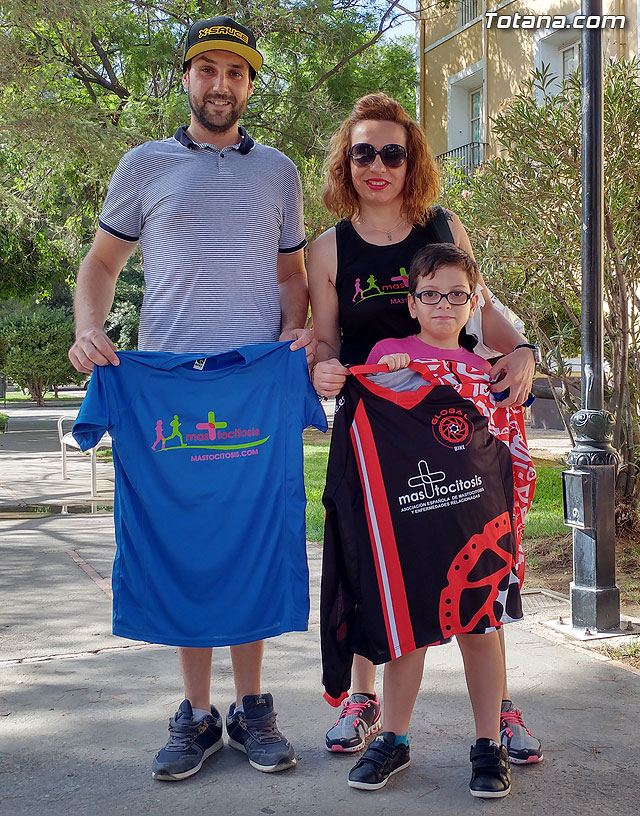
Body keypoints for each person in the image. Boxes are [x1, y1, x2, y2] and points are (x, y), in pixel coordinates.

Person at [68, 16, 316, 782]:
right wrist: (87, 331)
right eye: (208, 70)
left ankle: (252, 708)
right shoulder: (144, 164)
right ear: (185, 78)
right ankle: (197, 714)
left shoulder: (277, 171)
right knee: (184, 537)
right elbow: (101, 264)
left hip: (250, 388)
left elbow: (290, 278)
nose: (222, 85)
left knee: (250, 534)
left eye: (236, 73)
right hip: (167, 389)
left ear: (249, 85)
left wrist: (296, 338)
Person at [307, 93, 542, 765]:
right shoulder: (329, 248)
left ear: (411, 161)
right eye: (363, 153)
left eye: (391, 152)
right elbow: (326, 346)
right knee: (368, 559)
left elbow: (483, 310)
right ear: (345, 162)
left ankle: (497, 711)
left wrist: (522, 350)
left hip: (450, 429)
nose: (377, 165)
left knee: (478, 567)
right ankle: (364, 698)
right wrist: (323, 372)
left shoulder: (443, 226)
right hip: (373, 430)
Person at [321, 242, 535, 797]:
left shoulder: (486, 375)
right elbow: (374, 391)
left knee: (481, 632)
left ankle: (488, 743)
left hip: (477, 526)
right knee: (408, 632)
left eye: (457, 295)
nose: (445, 304)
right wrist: (394, 370)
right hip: (414, 521)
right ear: (412, 303)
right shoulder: (393, 354)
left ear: (473, 305)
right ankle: (393, 737)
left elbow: (511, 449)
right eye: (432, 294)